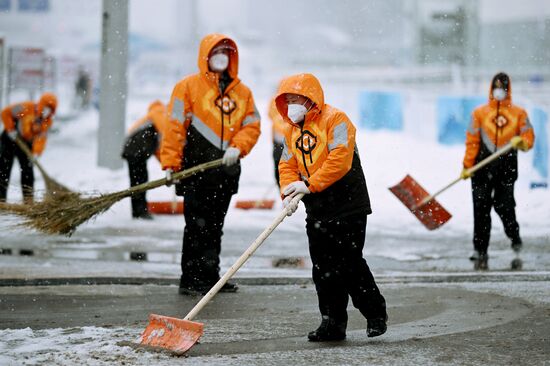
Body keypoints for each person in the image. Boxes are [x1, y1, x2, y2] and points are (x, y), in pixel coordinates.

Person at [276, 73, 387, 341]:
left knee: (349, 263)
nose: (292, 105)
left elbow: (340, 160)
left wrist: (310, 184)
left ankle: (375, 314)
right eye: (287, 100)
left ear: (310, 99)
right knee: (323, 268)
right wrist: (289, 192)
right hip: (318, 209)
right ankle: (332, 322)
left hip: (348, 204)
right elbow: (287, 165)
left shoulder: (336, 119)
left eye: (296, 99)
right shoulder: (292, 131)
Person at [161, 33, 261, 295]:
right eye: (216, 52)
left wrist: (238, 146)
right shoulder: (187, 87)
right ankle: (190, 279)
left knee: (215, 227)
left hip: (226, 173)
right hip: (195, 171)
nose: (221, 57)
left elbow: (252, 126)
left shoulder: (243, 92)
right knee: (196, 226)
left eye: (226, 52)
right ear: (206, 56)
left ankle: (210, 278)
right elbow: (174, 127)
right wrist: (171, 162)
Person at [461, 72, 535, 269]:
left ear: (508, 89)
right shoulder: (479, 113)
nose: (499, 91)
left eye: (502, 87)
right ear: (491, 88)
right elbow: (472, 141)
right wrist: (467, 166)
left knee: (505, 207)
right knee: (481, 209)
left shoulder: (519, 113)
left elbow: (529, 137)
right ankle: (480, 249)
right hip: (481, 169)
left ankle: (515, 238)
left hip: (506, 170)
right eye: (496, 87)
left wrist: (522, 142)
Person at [0, 93, 57, 203]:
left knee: (27, 171)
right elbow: (5, 113)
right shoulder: (26, 107)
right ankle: (1, 199)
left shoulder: (47, 121)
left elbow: (41, 138)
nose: (47, 111)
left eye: (50, 110)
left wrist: (36, 152)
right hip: (9, 139)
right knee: (4, 170)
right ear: (41, 104)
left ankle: (28, 200)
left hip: (25, 144)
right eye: (46, 107)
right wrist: (10, 128)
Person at [121, 100, 168, 219]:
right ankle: (139, 212)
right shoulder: (159, 112)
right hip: (136, 152)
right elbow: (165, 137)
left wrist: (167, 164)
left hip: (134, 152)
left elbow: (158, 149)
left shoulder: (152, 117)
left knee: (139, 181)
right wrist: (168, 163)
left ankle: (139, 211)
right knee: (139, 181)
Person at [268, 92, 287, 187]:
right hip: (279, 141)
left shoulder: (274, 100)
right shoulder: (274, 100)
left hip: (282, 142)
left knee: (280, 170)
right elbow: (270, 114)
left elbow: (270, 114)